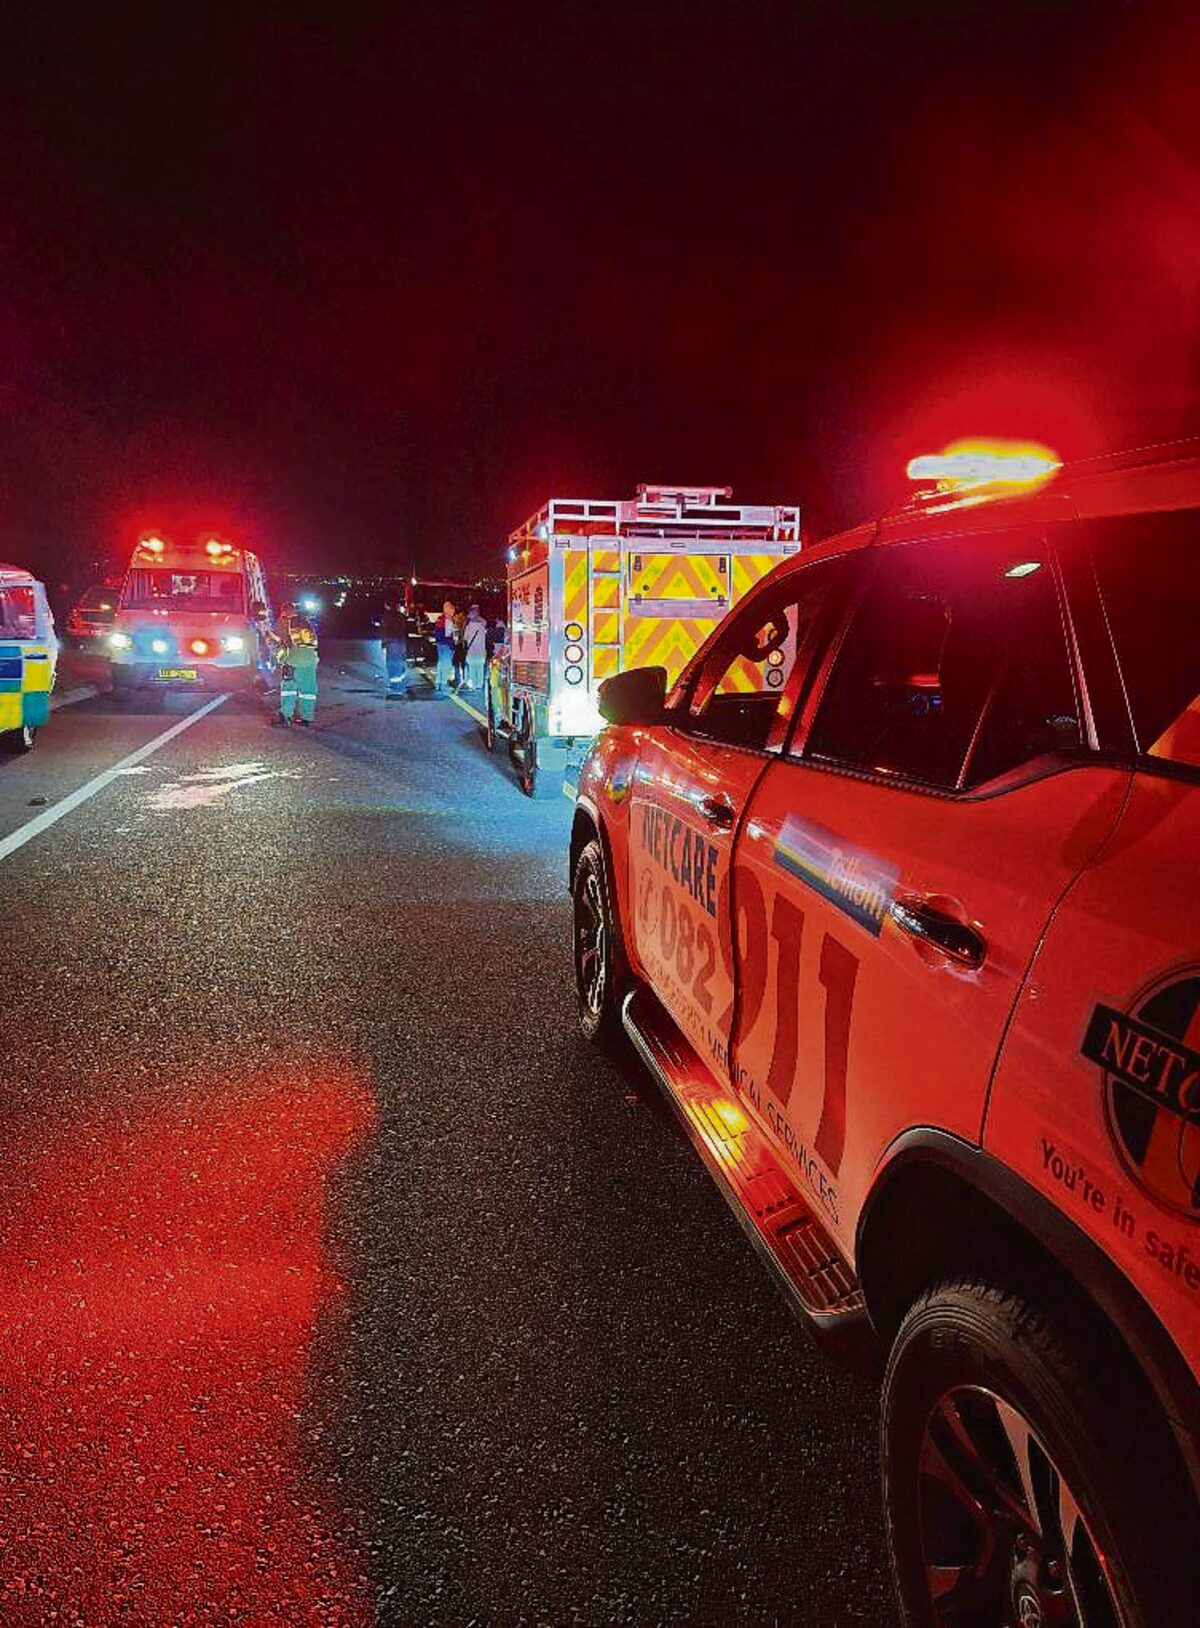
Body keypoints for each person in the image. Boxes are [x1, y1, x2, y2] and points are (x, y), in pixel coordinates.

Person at [274, 613, 320, 727]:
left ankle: (285, 716)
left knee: (289, 690)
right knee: (308, 691)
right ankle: (306, 718)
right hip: (310, 661)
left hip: (293, 661)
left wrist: (280, 658)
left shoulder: (288, 627)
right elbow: (314, 645)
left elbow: (284, 650)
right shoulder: (307, 626)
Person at [380, 591, 410, 699]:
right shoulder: (402, 616)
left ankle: (395, 688)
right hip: (401, 644)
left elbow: (384, 632)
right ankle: (401, 686)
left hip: (392, 644)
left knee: (392, 665)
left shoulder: (386, 617)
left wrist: (383, 645)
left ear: (387, 604)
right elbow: (405, 631)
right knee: (400, 664)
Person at [461, 603, 488, 691]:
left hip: (472, 651)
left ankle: (474, 685)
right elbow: (484, 622)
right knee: (480, 668)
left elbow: (465, 638)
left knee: (472, 668)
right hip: (480, 651)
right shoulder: (482, 624)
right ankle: (479, 684)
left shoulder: (468, 626)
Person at [435, 599, 456, 692]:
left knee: (440, 664)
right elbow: (448, 636)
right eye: (452, 610)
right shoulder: (448, 620)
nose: (453, 612)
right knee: (446, 664)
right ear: (449, 610)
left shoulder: (440, 619)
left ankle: (438, 682)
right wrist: (452, 647)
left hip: (440, 645)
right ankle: (444, 684)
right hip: (446, 645)